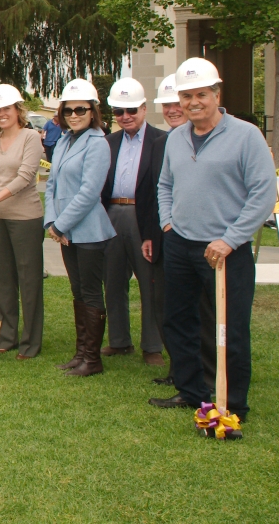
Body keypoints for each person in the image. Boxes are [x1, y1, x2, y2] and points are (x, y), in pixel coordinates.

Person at [151, 58, 276, 420]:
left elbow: (262, 194)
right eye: (186, 95)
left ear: (216, 94)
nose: (193, 102)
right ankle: (191, 391)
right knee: (178, 321)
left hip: (225, 250)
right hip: (180, 244)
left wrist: (232, 239)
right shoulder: (176, 138)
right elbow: (165, 185)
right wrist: (167, 224)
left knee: (229, 328)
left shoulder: (246, 135)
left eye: (200, 94)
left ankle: (232, 403)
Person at [44, 79, 116, 377]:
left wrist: (61, 223)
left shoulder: (98, 144)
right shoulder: (63, 140)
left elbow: (89, 192)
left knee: (90, 291)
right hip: (65, 231)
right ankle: (81, 353)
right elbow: (51, 185)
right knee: (77, 291)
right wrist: (52, 222)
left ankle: (93, 358)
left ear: (93, 111)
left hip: (87, 230)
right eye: (69, 109)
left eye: (80, 109)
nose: (74, 114)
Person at [0, 84, 45, 359]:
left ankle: (31, 342)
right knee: (2, 280)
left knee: (29, 280)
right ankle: (7, 335)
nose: (2, 114)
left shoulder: (30, 137)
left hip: (25, 217)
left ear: (18, 110)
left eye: (7, 109)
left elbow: (25, 177)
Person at [151, 72, 215, 388]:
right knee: (177, 314)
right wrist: (166, 225)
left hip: (214, 243)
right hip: (175, 240)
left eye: (180, 102)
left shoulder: (235, 136)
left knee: (208, 315)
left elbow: (255, 192)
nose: (176, 108)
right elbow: (162, 187)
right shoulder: (170, 140)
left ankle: (213, 379)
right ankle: (185, 377)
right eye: (170, 104)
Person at [100, 78, 168, 367]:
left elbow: (160, 190)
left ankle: (152, 345)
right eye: (118, 111)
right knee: (113, 281)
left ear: (143, 108)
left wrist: (153, 232)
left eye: (130, 110)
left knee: (149, 283)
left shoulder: (161, 140)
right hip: (112, 214)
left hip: (144, 216)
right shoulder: (109, 141)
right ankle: (119, 341)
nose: (125, 117)